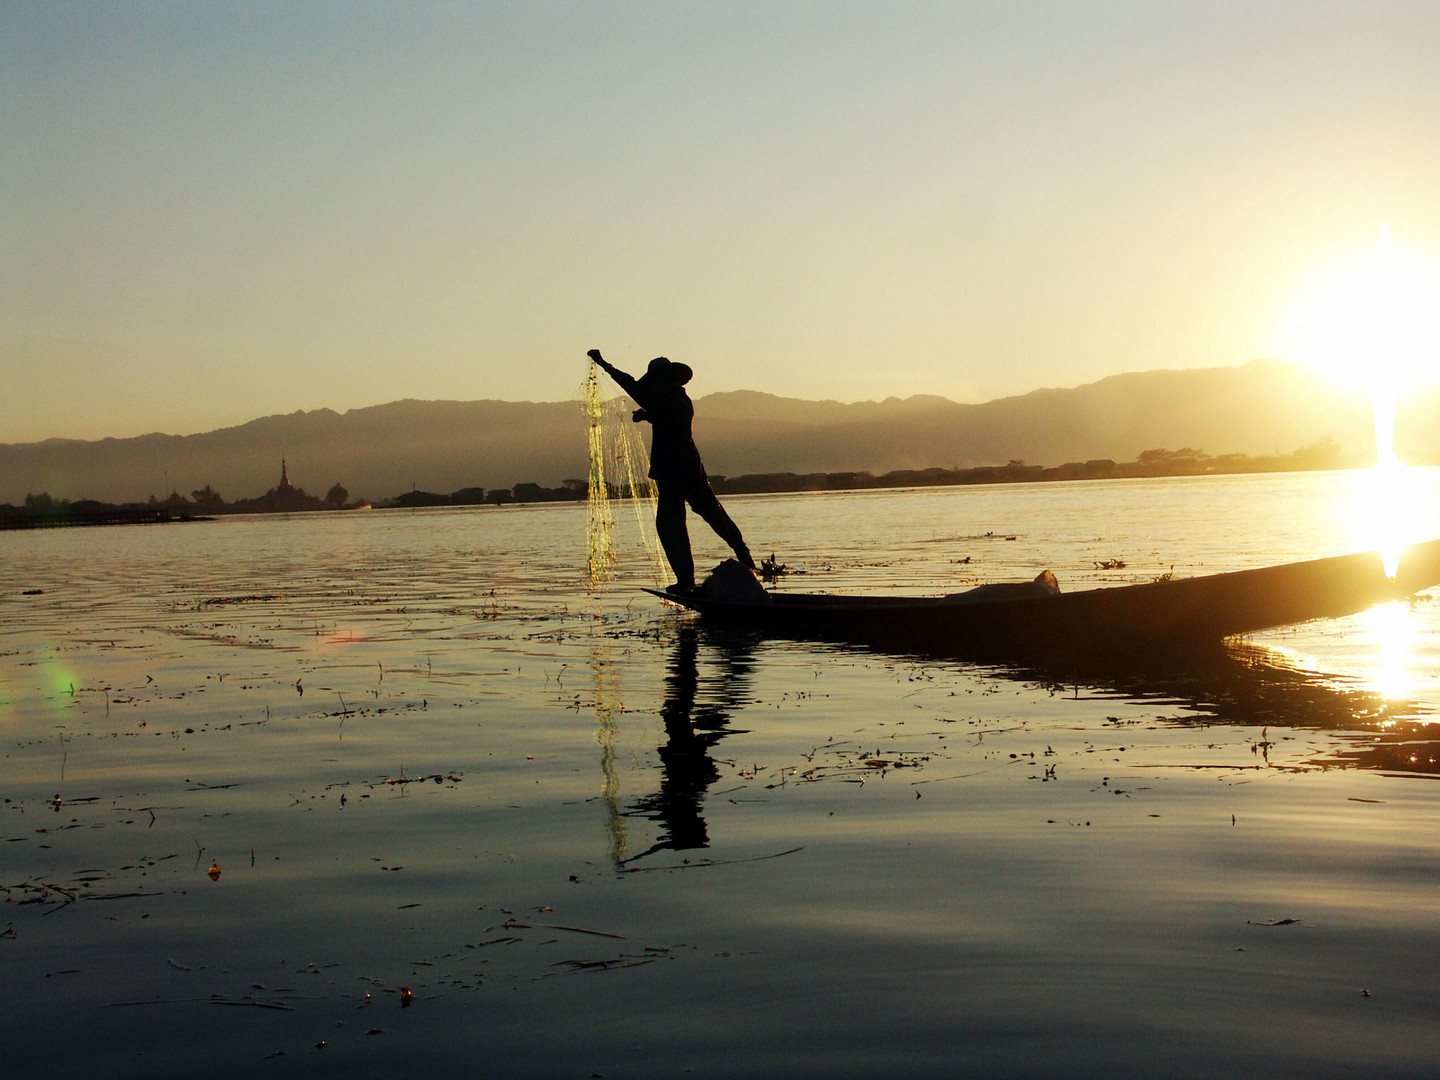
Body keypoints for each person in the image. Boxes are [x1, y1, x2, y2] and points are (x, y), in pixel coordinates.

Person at [588, 348, 755, 593]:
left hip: (673, 473)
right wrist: (647, 416)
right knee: (714, 515)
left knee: (670, 526)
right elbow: (665, 416)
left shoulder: (664, 398)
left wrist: (603, 363)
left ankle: (687, 581)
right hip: (691, 470)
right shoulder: (679, 399)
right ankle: (743, 554)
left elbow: (630, 385)